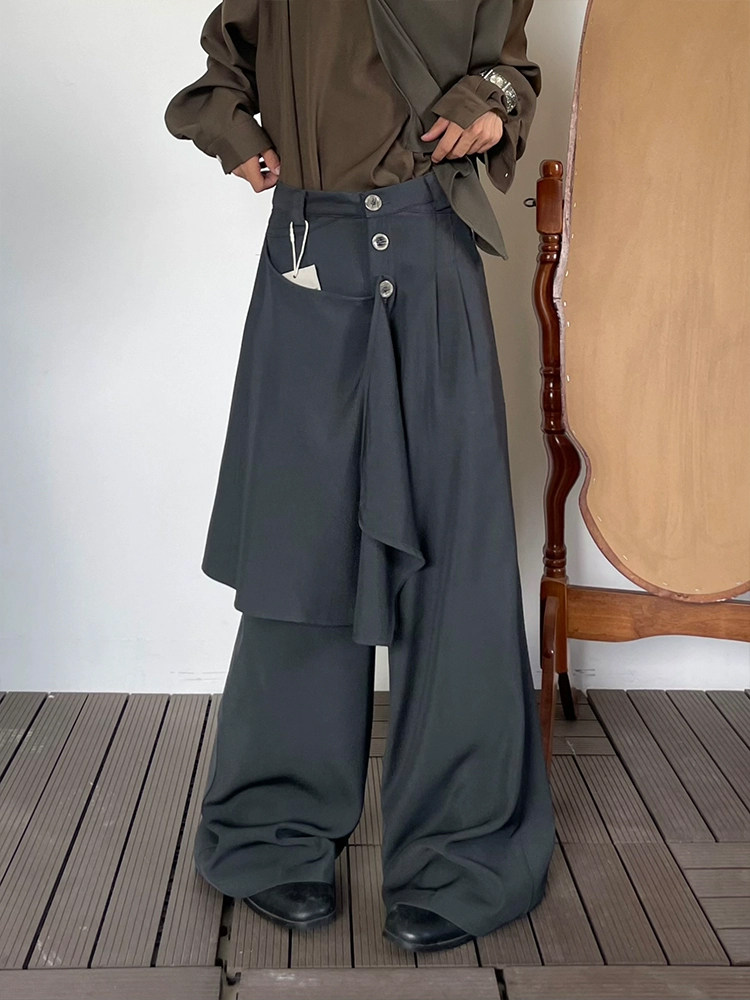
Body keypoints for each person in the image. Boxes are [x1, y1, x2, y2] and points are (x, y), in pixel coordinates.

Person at [164, 0, 555, 954]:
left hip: (432, 257)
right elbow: (221, 74)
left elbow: (513, 73)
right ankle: (272, 825)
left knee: (455, 562)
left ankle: (464, 843)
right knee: (301, 554)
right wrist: (238, 136)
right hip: (311, 254)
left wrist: (488, 105)